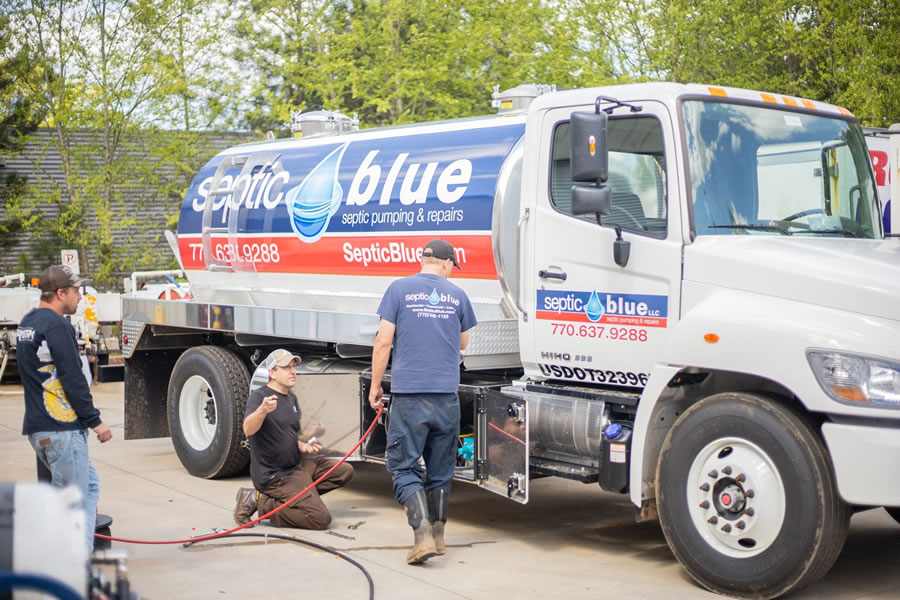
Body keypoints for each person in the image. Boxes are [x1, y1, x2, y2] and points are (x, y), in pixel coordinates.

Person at [368, 239, 477, 564]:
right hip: (446, 398)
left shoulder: (399, 289)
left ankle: (422, 535)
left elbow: (383, 340)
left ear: (423, 259)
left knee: (403, 466)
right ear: (447, 264)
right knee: (441, 471)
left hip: (410, 396)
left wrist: (376, 385)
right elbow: (464, 342)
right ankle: (439, 536)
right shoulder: (457, 295)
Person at [18, 265, 113, 552]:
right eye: (75, 291)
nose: (80, 297)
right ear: (60, 293)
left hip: (41, 430)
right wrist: (95, 422)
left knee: (89, 486)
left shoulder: (27, 324)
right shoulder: (57, 325)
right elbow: (73, 379)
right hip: (63, 431)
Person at [234, 349, 354, 529]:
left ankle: (297, 498)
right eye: (286, 367)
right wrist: (262, 411)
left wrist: (305, 444)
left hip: (296, 466)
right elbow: (248, 429)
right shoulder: (259, 397)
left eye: (293, 366)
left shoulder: (290, 398)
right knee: (320, 519)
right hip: (276, 475)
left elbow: (286, 435)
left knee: (344, 471)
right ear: (272, 372)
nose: (293, 371)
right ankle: (262, 502)